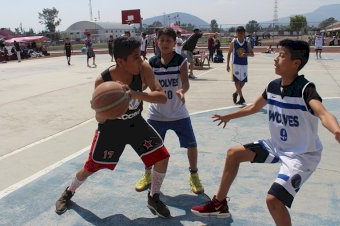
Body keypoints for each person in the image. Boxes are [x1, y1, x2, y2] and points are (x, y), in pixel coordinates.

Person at [191, 39, 340, 226]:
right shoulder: (273, 86)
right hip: (277, 146)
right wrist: (229, 116)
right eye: (277, 54)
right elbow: (254, 107)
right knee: (233, 154)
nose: (276, 58)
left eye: (282, 55)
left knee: (273, 201)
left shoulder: (305, 89)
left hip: (301, 155)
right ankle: (219, 204)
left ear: (296, 63)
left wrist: (336, 130)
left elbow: (323, 113)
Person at [55, 36, 172, 218]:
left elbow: (162, 97)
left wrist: (135, 94)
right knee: (91, 166)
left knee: (162, 157)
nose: (141, 59)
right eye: (136, 56)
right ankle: (68, 192)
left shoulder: (143, 69)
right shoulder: (103, 81)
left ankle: (154, 196)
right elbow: (100, 120)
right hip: (112, 128)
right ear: (120, 61)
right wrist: (102, 109)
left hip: (135, 123)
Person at [135, 27, 204, 195]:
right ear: (157, 42)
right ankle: (147, 174)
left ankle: (194, 175)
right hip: (156, 114)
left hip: (178, 112)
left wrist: (182, 91)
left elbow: (185, 82)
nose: (165, 43)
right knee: (149, 147)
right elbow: (145, 84)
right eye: (162, 40)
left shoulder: (181, 60)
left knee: (192, 145)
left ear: (175, 43)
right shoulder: (151, 62)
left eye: (169, 41)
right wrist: (136, 91)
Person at [227, 26, 254, 105]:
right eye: (239, 33)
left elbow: (252, 54)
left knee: (243, 82)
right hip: (235, 64)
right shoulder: (234, 42)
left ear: (244, 34)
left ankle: (235, 93)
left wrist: (246, 54)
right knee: (236, 81)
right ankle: (241, 98)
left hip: (244, 64)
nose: (240, 35)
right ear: (236, 33)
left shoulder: (247, 43)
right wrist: (227, 65)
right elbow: (229, 53)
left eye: (242, 33)